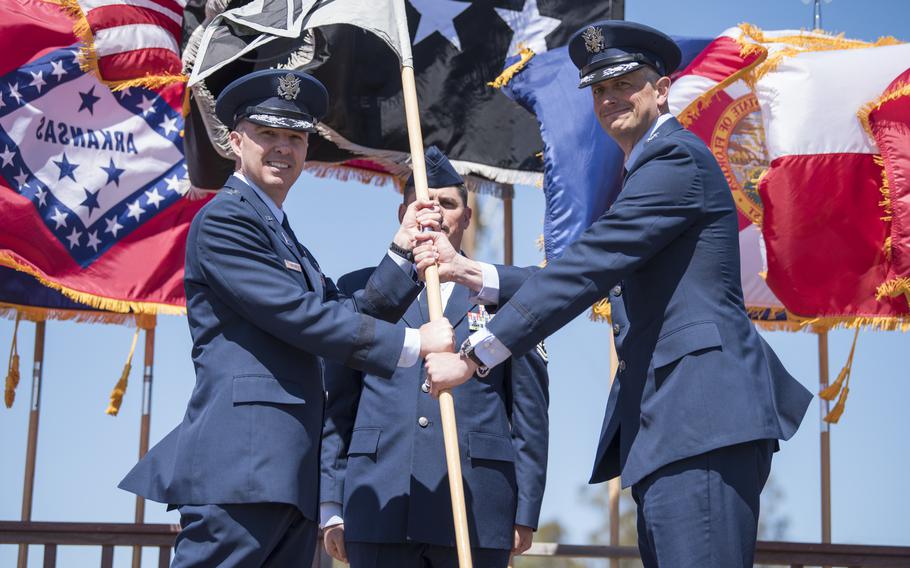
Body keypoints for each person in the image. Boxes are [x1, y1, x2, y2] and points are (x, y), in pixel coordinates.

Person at [420, 21, 813, 568]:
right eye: (599, 89)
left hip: (698, 417)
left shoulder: (674, 161)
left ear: (662, 89)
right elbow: (597, 266)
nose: (609, 99)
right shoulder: (652, 169)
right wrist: (470, 270)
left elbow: (591, 264)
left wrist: (477, 355)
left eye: (625, 83)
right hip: (673, 424)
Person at [118, 69, 454, 567]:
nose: (283, 148)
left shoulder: (282, 235)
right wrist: (412, 345)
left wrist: (403, 250)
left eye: (294, 136)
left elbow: (343, 312)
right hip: (241, 469)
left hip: (289, 475)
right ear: (235, 141)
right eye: (268, 133)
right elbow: (298, 315)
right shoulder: (226, 220)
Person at [318, 147, 549, 568]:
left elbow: (530, 410)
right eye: (423, 203)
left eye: (447, 203)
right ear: (402, 213)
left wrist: (525, 509)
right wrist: (332, 504)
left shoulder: (502, 295)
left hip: (477, 505)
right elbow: (338, 405)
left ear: (467, 216)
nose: (435, 214)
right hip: (379, 501)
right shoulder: (358, 291)